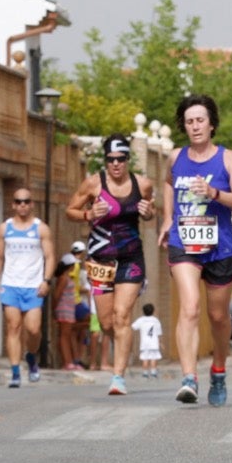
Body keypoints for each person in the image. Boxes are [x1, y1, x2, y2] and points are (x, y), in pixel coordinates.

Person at [159, 94, 232, 407]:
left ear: (211, 124)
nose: (195, 126)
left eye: (200, 120)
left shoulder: (228, 159)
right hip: (184, 241)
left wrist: (213, 192)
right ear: (183, 126)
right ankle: (188, 378)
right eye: (189, 121)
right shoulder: (175, 158)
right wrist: (167, 219)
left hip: (220, 246)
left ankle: (219, 370)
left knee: (218, 316)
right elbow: (168, 184)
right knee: (190, 307)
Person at [66, 134, 156, 397]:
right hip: (100, 259)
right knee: (106, 323)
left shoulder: (143, 184)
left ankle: (119, 377)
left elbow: (152, 211)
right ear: (105, 160)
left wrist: (149, 213)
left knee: (122, 316)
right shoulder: (93, 184)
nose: (115, 164)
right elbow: (69, 210)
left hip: (131, 259)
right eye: (110, 160)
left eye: (120, 159)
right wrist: (88, 214)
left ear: (128, 159)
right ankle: (118, 353)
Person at [0, 187, 55, 389]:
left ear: (32, 204)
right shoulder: (5, 228)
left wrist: (46, 280)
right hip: (10, 285)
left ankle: (31, 357)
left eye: (26, 201)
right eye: (18, 201)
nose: (22, 205)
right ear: (13, 205)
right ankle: (16, 372)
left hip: (33, 286)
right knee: (13, 327)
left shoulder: (40, 228)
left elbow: (50, 257)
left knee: (33, 330)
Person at [50, 248, 85, 371]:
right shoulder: (64, 278)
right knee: (64, 336)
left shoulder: (67, 277)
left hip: (69, 309)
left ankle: (70, 361)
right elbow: (56, 295)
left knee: (67, 334)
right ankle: (67, 362)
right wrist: (54, 309)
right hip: (64, 308)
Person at [133, 302, 162, 379]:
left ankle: (145, 373)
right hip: (154, 342)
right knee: (153, 358)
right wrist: (160, 343)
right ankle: (153, 372)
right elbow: (159, 333)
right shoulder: (156, 320)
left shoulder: (141, 320)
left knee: (145, 358)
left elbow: (133, 327)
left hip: (144, 343)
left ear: (143, 311)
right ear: (153, 311)